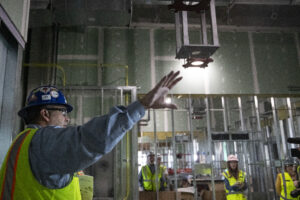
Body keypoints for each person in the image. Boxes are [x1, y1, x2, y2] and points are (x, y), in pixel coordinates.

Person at [0, 71, 182, 199]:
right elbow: (91, 140)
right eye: (63, 112)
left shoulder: (21, 142)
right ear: (45, 114)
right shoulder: (43, 141)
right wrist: (142, 105)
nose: (67, 119)